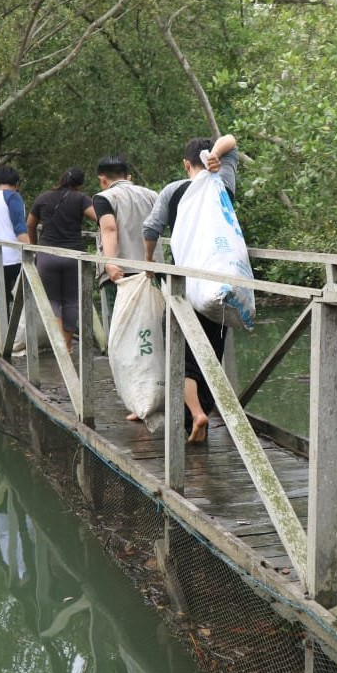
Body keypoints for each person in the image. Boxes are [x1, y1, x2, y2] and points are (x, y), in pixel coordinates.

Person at [142, 134, 238, 442]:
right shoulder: (222, 181)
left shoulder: (174, 190)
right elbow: (231, 140)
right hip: (219, 287)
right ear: (213, 158)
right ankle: (203, 415)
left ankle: (194, 415)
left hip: (183, 289)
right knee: (211, 353)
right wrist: (218, 155)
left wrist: (148, 262)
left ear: (186, 164)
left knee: (179, 353)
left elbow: (150, 228)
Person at [27, 167, 96, 351]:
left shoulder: (43, 198)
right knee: (71, 300)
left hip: (47, 255)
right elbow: (98, 217)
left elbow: (30, 224)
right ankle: (67, 345)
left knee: (52, 300)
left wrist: (35, 247)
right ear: (80, 185)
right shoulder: (81, 198)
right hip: (73, 256)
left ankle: (59, 347)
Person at [91, 156, 160, 336]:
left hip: (121, 275)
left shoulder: (103, 198)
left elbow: (109, 228)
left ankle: (126, 365)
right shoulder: (152, 195)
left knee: (123, 331)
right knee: (152, 327)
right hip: (152, 271)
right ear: (127, 177)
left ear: (102, 179)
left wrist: (110, 262)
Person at [0, 165, 29, 313]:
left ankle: (3, 333)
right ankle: (18, 333)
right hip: (11, 257)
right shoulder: (14, 197)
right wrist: (32, 252)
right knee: (21, 296)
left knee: (0, 296)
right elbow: (20, 228)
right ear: (17, 184)